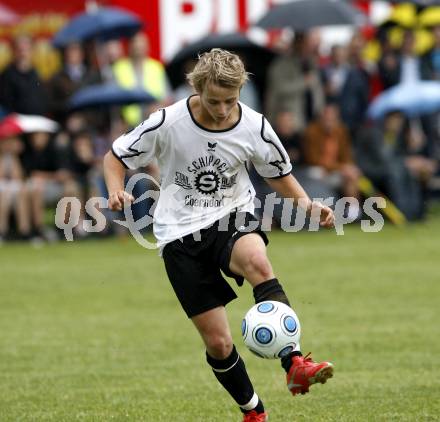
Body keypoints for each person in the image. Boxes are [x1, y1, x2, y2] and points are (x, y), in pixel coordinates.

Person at [103, 49, 335, 422]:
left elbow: (276, 171)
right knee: (218, 342)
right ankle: (253, 410)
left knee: (258, 260)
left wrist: (307, 204)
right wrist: (116, 188)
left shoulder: (255, 126)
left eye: (231, 100)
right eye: (214, 101)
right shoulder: (167, 121)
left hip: (231, 213)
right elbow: (114, 157)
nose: (224, 109)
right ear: (196, 88)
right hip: (178, 233)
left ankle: (294, 363)